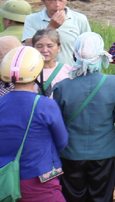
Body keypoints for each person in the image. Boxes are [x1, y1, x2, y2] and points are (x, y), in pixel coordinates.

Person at [53, 32, 115, 202]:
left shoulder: (61, 87)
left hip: (70, 153)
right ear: (100, 55)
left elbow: (59, 121)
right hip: (103, 152)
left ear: (74, 55)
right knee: (101, 197)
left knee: (72, 197)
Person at [0, 46, 68, 201]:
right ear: (37, 72)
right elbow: (62, 142)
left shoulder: (1, 103)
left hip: (5, 181)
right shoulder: (45, 105)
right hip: (39, 179)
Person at [23, 0, 91, 65]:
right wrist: (51, 27)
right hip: (43, 73)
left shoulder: (79, 19)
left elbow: (88, 48)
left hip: (72, 74)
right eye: (51, 0)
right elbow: (29, 49)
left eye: (61, 0)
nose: (57, 4)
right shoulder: (32, 19)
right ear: (42, 0)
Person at [32, 28, 72, 97]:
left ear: (58, 48)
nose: (44, 50)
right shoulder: (28, 71)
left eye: (50, 46)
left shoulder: (68, 70)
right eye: (39, 46)